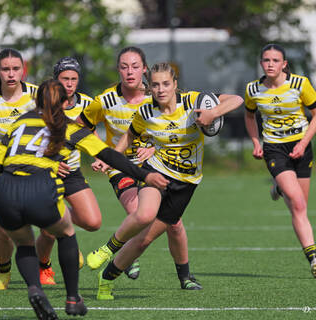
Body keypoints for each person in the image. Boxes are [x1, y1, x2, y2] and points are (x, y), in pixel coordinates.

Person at [0, 79, 168, 318]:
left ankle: (34, 288)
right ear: (66, 103)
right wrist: (145, 175)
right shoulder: (70, 128)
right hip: (39, 187)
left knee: (24, 243)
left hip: (6, 189)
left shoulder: (20, 122)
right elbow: (109, 155)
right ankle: (72, 298)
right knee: (66, 233)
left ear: (37, 101)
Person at [89, 62, 243, 300]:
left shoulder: (192, 102)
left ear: (175, 85)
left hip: (187, 183)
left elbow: (237, 100)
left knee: (143, 241)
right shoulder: (146, 112)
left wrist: (214, 112)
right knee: (144, 214)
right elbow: (131, 135)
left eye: (166, 84)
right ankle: (106, 249)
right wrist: (112, 158)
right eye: (155, 85)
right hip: (157, 172)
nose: (160, 89)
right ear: (149, 88)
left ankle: (106, 278)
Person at [79, 46, 198, 285]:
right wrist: (101, 151)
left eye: (135, 66)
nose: (129, 72)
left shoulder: (158, 94)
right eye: (124, 67)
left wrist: (154, 148)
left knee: (174, 223)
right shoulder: (106, 100)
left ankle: (185, 277)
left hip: (156, 166)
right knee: (140, 213)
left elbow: (172, 131)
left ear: (144, 69)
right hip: (121, 167)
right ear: (118, 70)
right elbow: (80, 126)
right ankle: (123, 254)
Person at [244, 43, 316, 276]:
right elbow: (249, 115)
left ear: (284, 64)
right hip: (275, 149)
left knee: (300, 207)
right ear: (261, 63)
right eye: (266, 60)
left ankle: (279, 187)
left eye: (275, 60)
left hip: (302, 147)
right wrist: (256, 142)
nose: (270, 64)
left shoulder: (300, 84)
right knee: (297, 202)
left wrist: (303, 143)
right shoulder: (253, 89)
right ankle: (314, 259)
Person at [35, 57, 103, 285]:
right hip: (45, 174)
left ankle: (57, 221)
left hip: (72, 173)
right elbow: (31, 140)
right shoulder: (44, 103)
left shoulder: (87, 103)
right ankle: (43, 266)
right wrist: (49, 161)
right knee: (48, 231)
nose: (70, 83)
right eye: (65, 79)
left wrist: (99, 155)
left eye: (74, 79)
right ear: (56, 80)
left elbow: (90, 132)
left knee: (93, 222)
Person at [0, 48, 37, 290]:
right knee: (1, 229)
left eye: (15, 69)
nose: (11, 74)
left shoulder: (36, 96)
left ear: (23, 70)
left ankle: (64, 247)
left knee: (52, 219)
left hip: (35, 169)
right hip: (1, 171)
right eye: (5, 69)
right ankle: (3, 270)